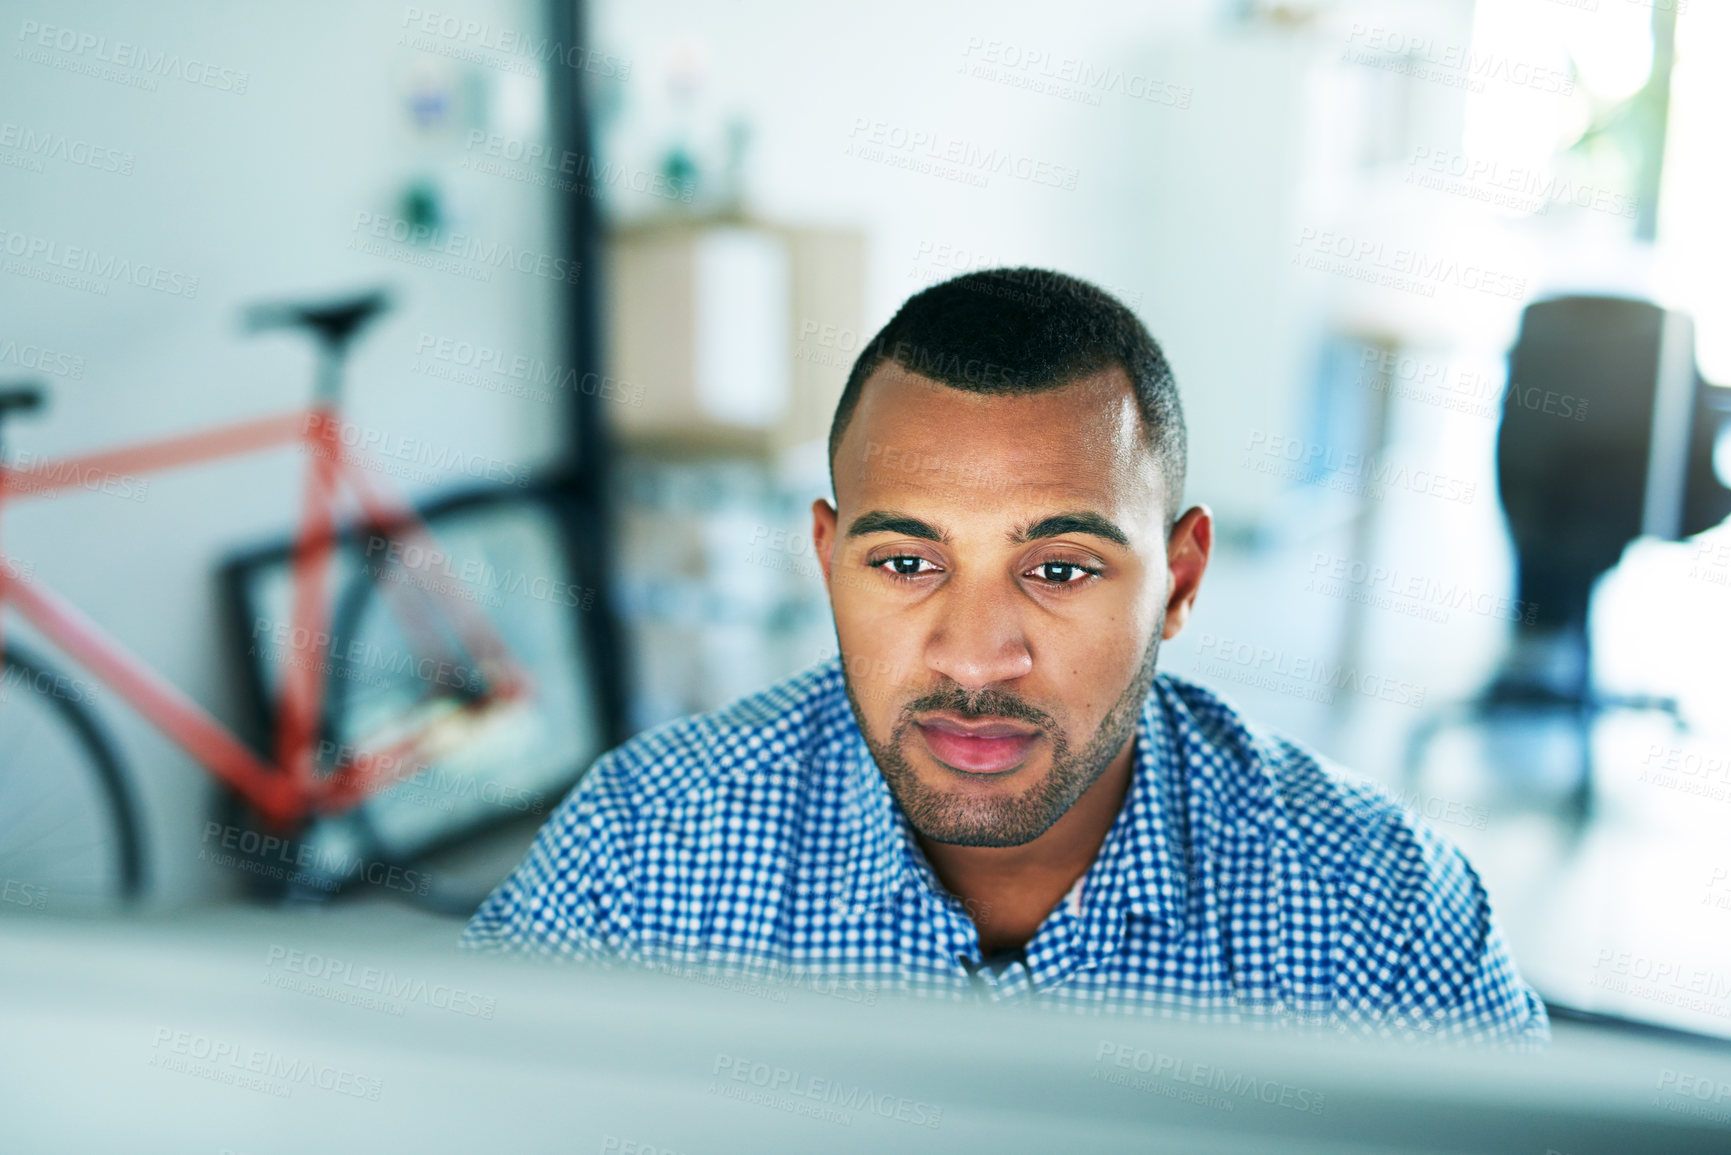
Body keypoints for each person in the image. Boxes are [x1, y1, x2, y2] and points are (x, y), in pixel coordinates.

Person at [461, 267, 1549, 1049]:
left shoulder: (1381, 918)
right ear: (827, 560)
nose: (976, 660)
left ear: (1179, 581)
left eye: (1061, 570)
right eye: (904, 563)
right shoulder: (640, 858)